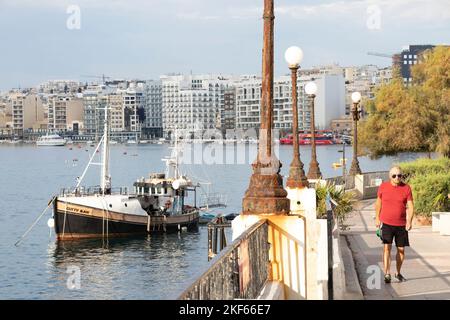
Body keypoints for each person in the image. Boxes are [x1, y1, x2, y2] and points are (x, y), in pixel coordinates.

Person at [375, 166, 414, 283]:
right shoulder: (383, 187)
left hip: (401, 225)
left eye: (399, 176)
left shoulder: (406, 188)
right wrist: (377, 218)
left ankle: (398, 272)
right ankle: (387, 273)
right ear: (390, 176)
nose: (397, 178)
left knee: (401, 250)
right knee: (386, 248)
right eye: (394, 176)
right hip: (386, 223)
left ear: (402, 176)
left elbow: (411, 206)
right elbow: (378, 203)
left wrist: (409, 221)